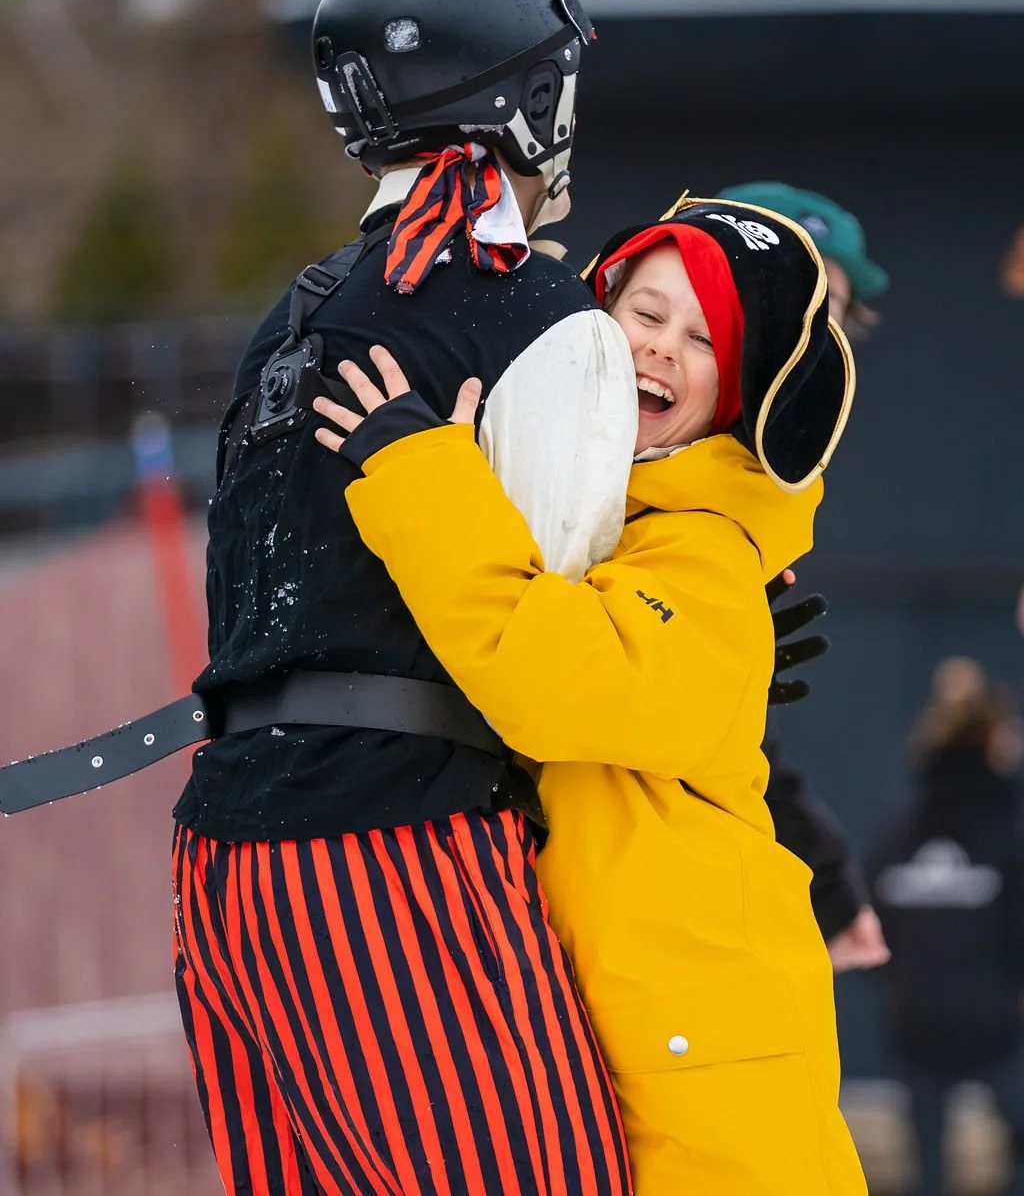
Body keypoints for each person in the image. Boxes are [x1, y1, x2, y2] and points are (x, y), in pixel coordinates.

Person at [171, 0, 637, 1196]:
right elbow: (555, 644)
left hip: (225, 864)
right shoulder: (536, 314)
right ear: (529, 101)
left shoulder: (300, 310)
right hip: (398, 849)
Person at [314, 196, 869, 1194]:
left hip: (706, 1058)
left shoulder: (707, 549)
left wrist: (414, 469)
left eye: (703, 340)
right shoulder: (596, 523)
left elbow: (546, 677)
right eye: (645, 312)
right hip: (637, 1033)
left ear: (739, 396)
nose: (660, 347)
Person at [720, 180, 891, 972]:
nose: (810, 336)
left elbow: (728, 733)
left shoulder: (768, 481)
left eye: (833, 314)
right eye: (794, 297)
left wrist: (827, 881)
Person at [869, 658, 1024, 1196]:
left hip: (916, 1022)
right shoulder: (1005, 841)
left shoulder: (901, 837)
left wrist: (903, 984)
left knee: (927, 1163)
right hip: (995, 1026)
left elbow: (869, 924)